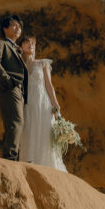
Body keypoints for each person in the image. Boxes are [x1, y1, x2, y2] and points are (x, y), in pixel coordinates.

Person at [19, 36, 67, 172]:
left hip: (42, 102)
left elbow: (49, 85)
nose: (30, 45)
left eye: (32, 44)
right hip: (27, 103)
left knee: (43, 132)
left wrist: (55, 104)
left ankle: (46, 167)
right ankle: (29, 165)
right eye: (26, 43)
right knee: (29, 130)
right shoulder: (19, 65)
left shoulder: (42, 63)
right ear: (21, 47)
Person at [0, 13, 28, 161]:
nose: (18, 28)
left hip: (18, 90)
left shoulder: (17, 49)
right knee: (16, 121)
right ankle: (11, 157)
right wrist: (7, 80)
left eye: (19, 26)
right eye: (14, 25)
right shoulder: (1, 44)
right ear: (5, 28)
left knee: (15, 122)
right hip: (9, 88)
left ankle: (13, 156)